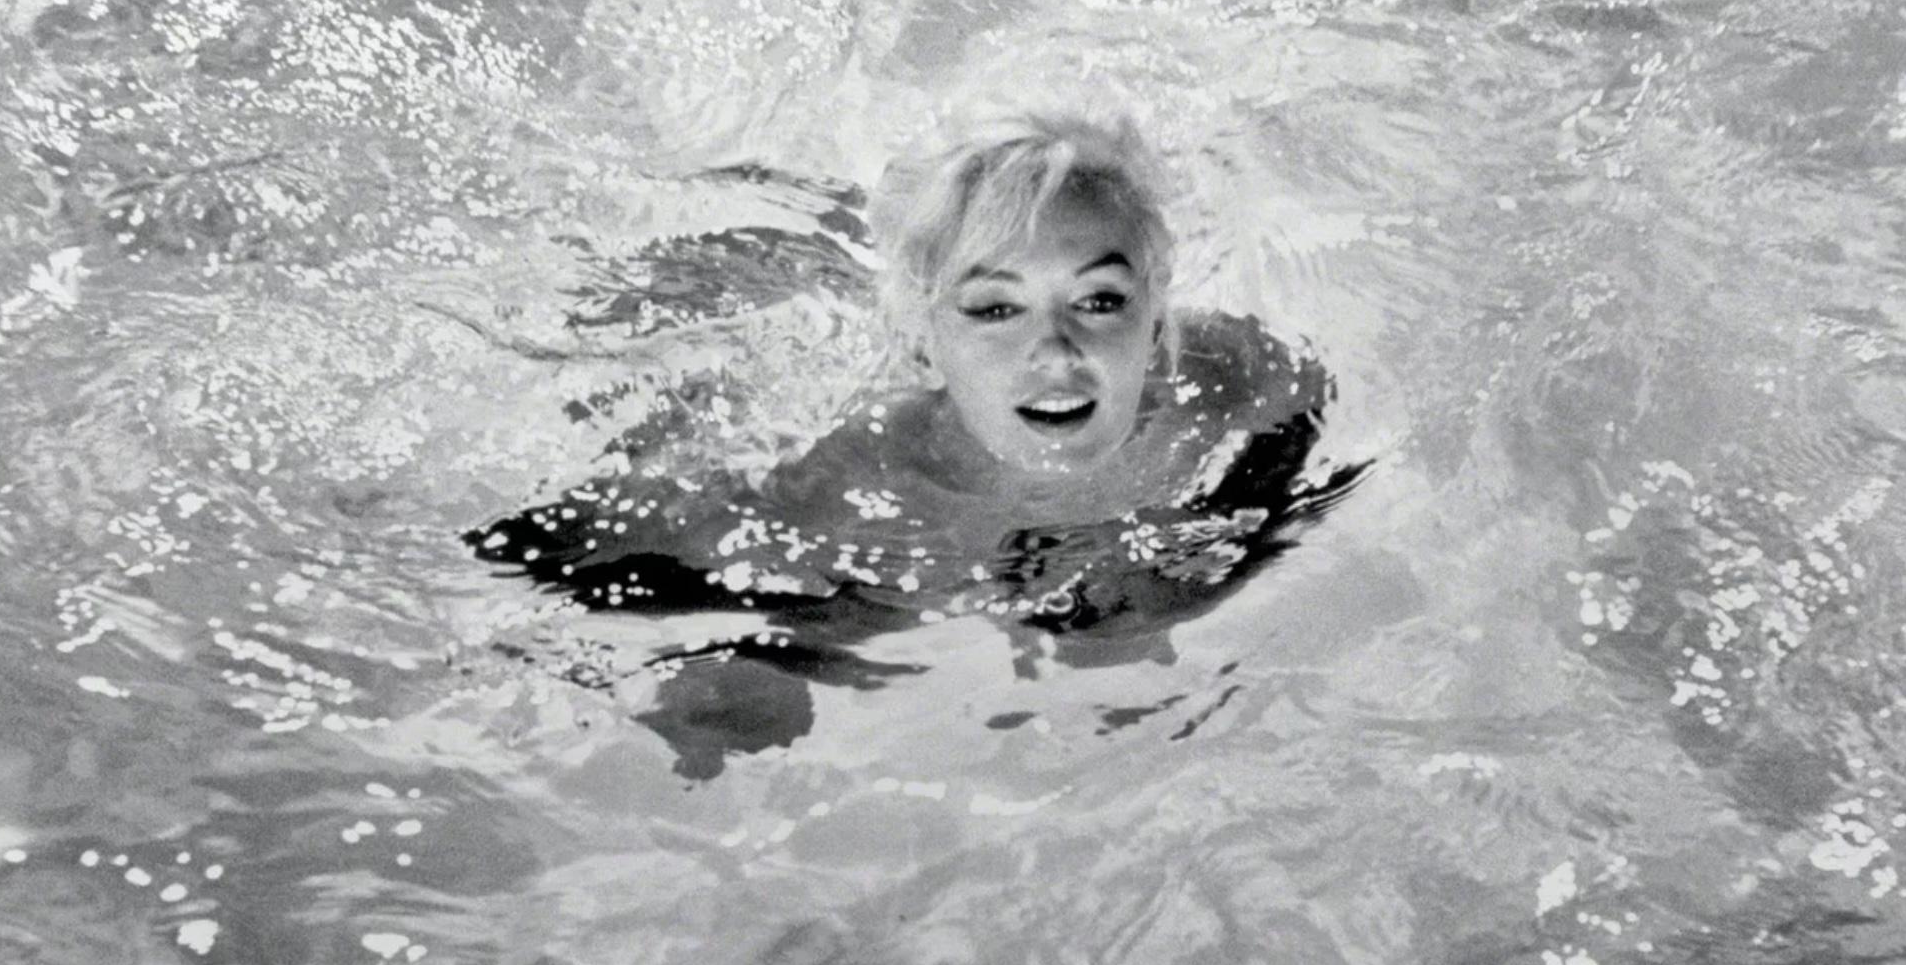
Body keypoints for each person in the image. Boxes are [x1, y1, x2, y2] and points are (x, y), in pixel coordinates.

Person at [468, 109, 1365, 776]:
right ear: (925, 346)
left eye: (1099, 300)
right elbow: (561, 556)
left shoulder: (1227, 379)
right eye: (995, 310)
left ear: (1156, 319)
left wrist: (1178, 584)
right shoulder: (862, 482)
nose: (1056, 353)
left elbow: (1298, 417)